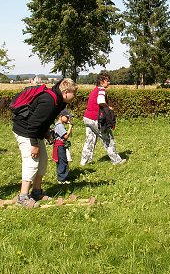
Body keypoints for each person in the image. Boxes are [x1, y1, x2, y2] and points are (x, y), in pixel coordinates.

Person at [12, 78, 77, 207]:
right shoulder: (49, 101)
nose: (75, 96)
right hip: (25, 131)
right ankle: (23, 197)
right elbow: (33, 124)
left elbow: (44, 120)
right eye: (74, 93)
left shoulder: (59, 101)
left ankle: (36, 192)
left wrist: (46, 132)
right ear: (66, 92)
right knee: (31, 162)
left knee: (43, 160)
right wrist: (34, 145)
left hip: (35, 132)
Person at [80, 72, 126, 166]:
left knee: (90, 140)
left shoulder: (94, 90)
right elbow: (100, 101)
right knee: (108, 139)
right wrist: (109, 107)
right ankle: (116, 160)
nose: (109, 82)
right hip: (96, 119)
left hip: (87, 118)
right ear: (101, 82)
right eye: (107, 81)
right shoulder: (102, 89)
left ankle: (84, 161)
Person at [52, 109, 73, 184]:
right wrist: (70, 127)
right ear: (61, 116)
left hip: (61, 146)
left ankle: (63, 177)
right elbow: (65, 136)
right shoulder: (59, 126)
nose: (68, 119)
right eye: (67, 117)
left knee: (63, 161)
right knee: (62, 161)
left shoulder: (59, 125)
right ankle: (62, 179)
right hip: (60, 146)